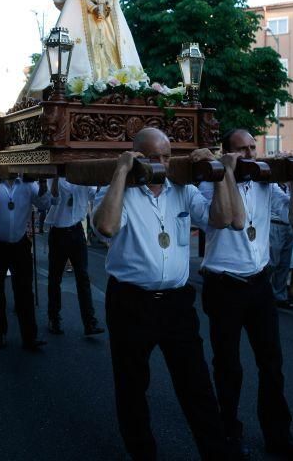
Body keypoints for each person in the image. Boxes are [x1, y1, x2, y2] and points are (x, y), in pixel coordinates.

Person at [93, 127, 244, 461]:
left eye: (165, 156)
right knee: (132, 386)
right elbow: (106, 226)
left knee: (197, 385)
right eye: (151, 158)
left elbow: (224, 220)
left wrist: (219, 172)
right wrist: (120, 171)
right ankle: (143, 454)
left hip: (177, 303)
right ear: (136, 158)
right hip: (131, 302)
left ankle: (217, 453)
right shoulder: (115, 190)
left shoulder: (183, 190)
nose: (160, 165)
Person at [199, 129, 293, 460]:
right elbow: (231, 220)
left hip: (259, 284)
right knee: (228, 367)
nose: (250, 154)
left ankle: (279, 436)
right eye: (241, 150)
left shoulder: (265, 182)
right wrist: (227, 171)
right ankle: (229, 435)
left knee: (272, 364)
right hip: (224, 284)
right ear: (228, 153)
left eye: (252, 148)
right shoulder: (211, 181)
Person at [0, 163, 51, 351]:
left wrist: (42, 181)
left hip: (19, 243)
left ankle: (29, 336)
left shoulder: (26, 183)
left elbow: (44, 204)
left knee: (25, 291)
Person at [45, 177, 104, 337]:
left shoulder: (82, 177)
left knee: (83, 278)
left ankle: (89, 322)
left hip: (77, 230)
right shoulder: (55, 177)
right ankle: (54, 318)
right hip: (59, 232)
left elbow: (94, 195)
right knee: (55, 278)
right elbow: (54, 199)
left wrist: (97, 178)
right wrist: (56, 177)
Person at [269, 183, 293, 309]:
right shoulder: (272, 185)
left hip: (288, 225)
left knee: (284, 264)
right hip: (274, 225)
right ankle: (266, 294)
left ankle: (279, 295)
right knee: (272, 263)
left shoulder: (289, 186)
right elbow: (287, 202)